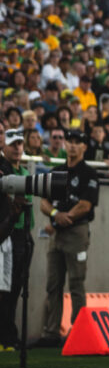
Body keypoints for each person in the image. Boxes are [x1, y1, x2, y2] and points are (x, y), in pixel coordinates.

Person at [36, 130, 99, 347]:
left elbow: (86, 205)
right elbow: (44, 202)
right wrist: (55, 215)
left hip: (76, 231)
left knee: (76, 283)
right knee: (53, 284)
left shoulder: (89, 173)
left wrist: (65, 217)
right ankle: (51, 333)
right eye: (69, 142)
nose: (72, 146)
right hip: (58, 232)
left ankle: (77, 331)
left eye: (77, 143)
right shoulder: (57, 172)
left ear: (84, 147)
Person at [0, 129, 31, 350]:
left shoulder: (24, 170)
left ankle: (9, 335)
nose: (17, 148)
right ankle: (6, 336)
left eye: (20, 143)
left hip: (22, 233)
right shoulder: (4, 169)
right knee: (6, 291)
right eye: (13, 144)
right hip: (7, 235)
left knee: (15, 289)